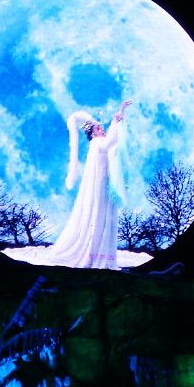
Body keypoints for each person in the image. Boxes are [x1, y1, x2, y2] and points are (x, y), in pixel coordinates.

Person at [47, 100, 133, 270]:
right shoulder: (97, 143)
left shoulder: (98, 144)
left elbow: (113, 144)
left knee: (105, 217)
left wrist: (118, 118)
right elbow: (110, 141)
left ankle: (102, 254)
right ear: (93, 134)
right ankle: (95, 255)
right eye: (99, 129)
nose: (102, 129)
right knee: (99, 216)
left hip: (105, 186)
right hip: (100, 188)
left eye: (101, 128)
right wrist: (118, 116)